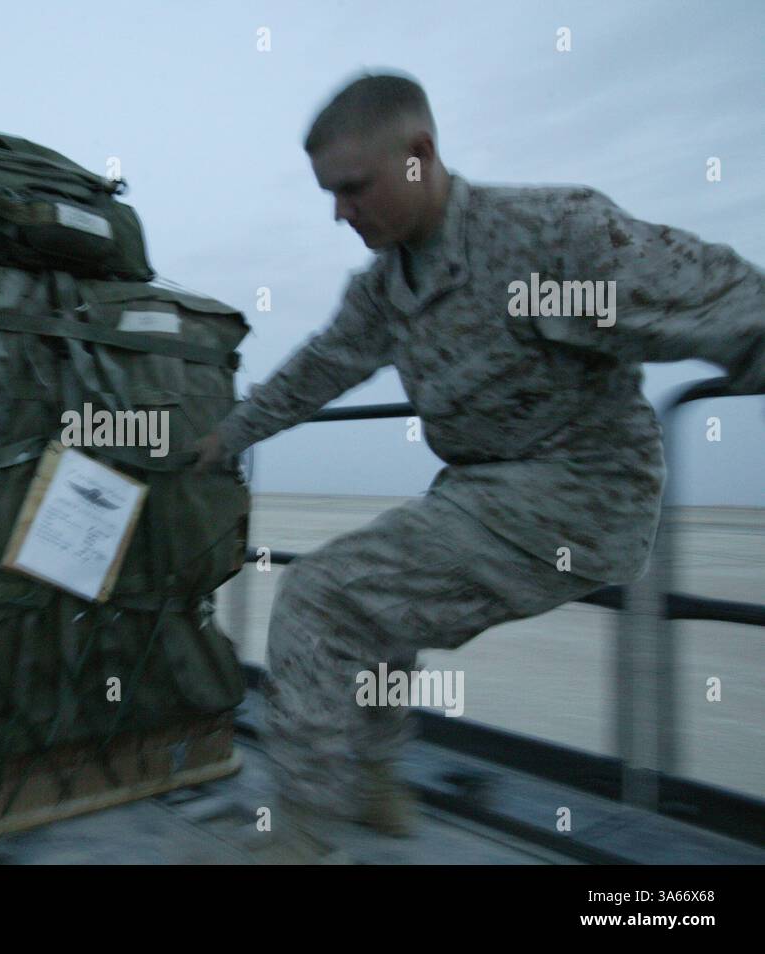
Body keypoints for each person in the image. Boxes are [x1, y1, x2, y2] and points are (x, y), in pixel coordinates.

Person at [194, 72, 765, 858]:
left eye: (354, 188)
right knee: (375, 613)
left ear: (420, 154)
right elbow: (322, 366)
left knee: (320, 597)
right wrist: (224, 438)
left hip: (579, 492)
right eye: (330, 194)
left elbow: (713, 297)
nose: (340, 212)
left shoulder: (546, 239)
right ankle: (369, 786)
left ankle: (298, 833)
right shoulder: (387, 287)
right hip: (480, 494)